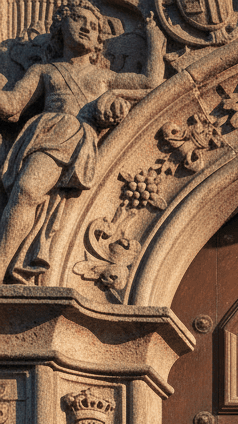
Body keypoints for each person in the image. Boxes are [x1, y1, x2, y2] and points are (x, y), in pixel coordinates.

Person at [0, 2, 165, 282]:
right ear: (61, 27)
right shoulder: (45, 71)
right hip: (45, 132)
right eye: (78, 19)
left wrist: (154, 40)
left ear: (100, 39)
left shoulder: (103, 77)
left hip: (74, 137)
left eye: (94, 25)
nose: (87, 27)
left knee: (27, 190)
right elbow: (12, 104)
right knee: (24, 194)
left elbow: (150, 83)